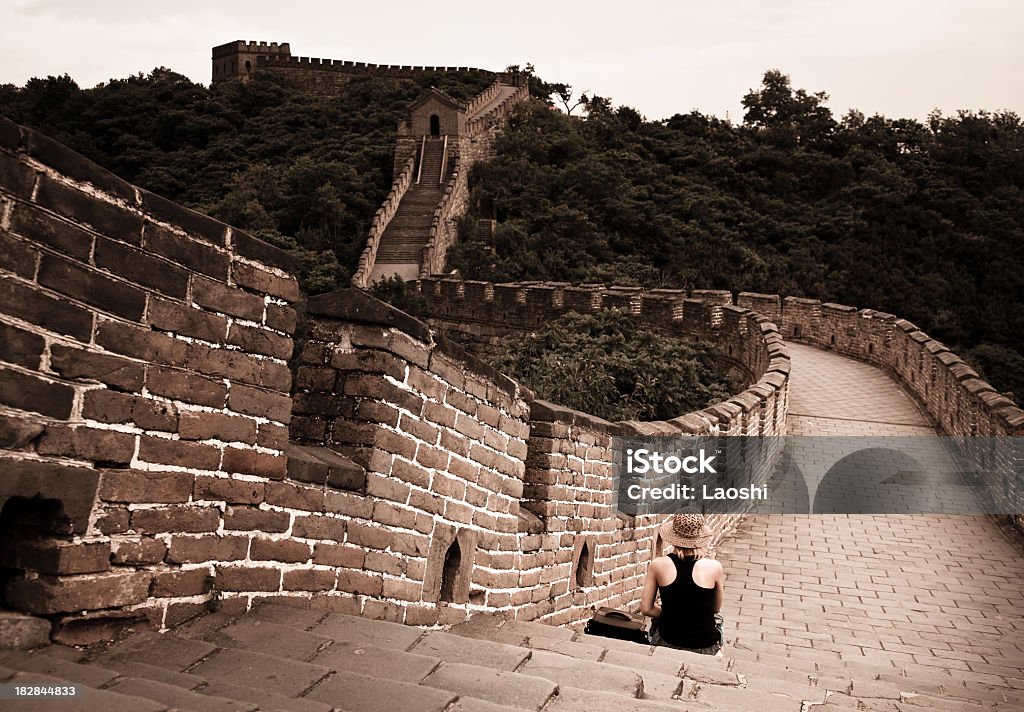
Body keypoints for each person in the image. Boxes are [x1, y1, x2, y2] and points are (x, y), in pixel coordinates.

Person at [640, 513, 725, 654]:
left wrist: (674, 613)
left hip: (668, 640)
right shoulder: (714, 567)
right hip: (705, 644)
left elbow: (646, 609)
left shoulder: (657, 565)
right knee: (719, 619)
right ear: (700, 537)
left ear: (673, 536)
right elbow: (715, 609)